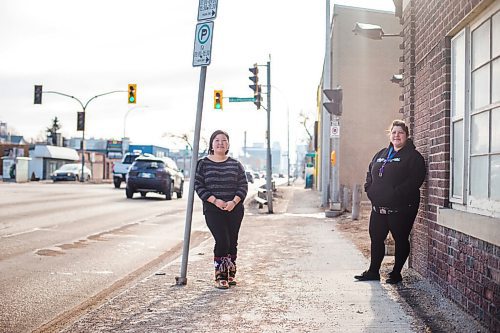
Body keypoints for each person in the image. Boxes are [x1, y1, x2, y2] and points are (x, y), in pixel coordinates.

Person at [355, 119, 426, 284]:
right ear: (390, 134)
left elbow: (415, 180)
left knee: (400, 239)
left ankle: (396, 273)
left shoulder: (413, 157)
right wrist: (369, 188)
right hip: (378, 208)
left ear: (406, 136)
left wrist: (395, 194)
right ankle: (373, 271)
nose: (397, 135)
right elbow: (370, 172)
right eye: (394, 132)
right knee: (376, 238)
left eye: (400, 133)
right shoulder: (381, 154)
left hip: (401, 209)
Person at [194, 130, 248, 289]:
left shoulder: (236, 164)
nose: (220, 143)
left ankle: (231, 273)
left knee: (232, 242)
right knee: (222, 240)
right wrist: (215, 201)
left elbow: (243, 185)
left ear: (228, 144)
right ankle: (220, 276)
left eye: (224, 140)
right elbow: (199, 186)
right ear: (211, 144)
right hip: (213, 209)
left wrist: (234, 202)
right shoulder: (203, 164)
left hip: (235, 209)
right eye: (217, 140)